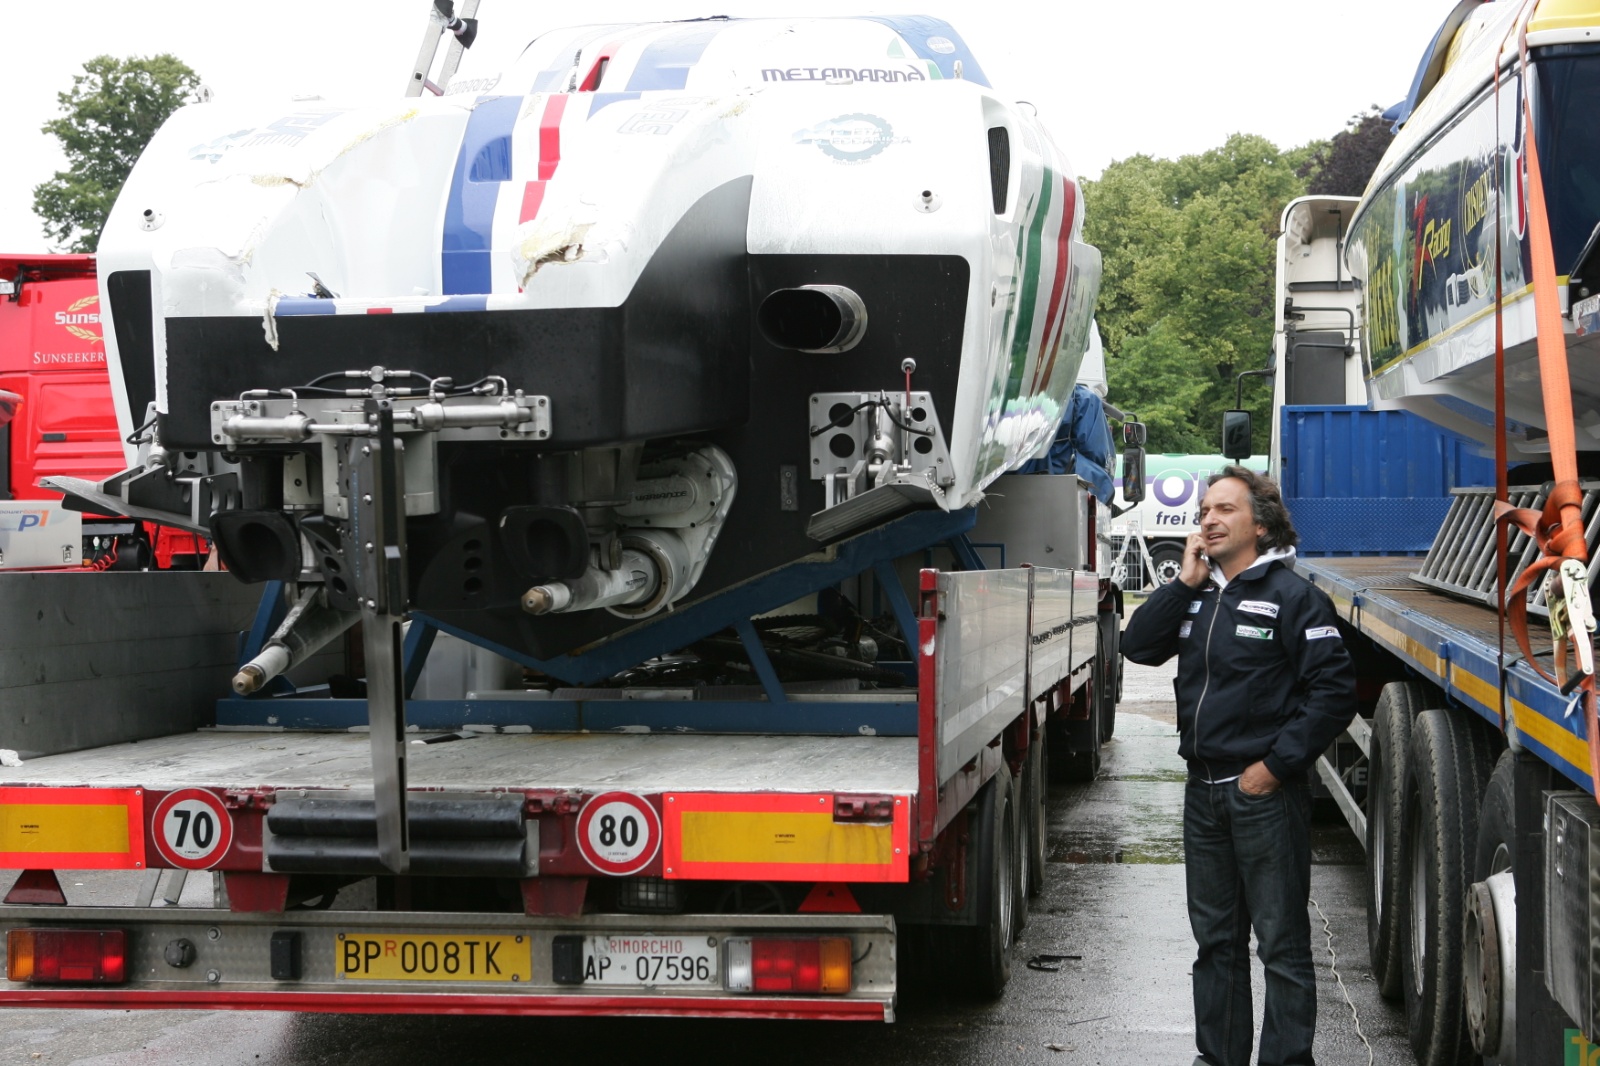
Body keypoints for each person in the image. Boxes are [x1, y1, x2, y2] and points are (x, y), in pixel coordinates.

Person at [1120, 466, 1357, 1066]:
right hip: (1202, 795)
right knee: (1216, 944)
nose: (1208, 519)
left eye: (1224, 509)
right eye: (1204, 511)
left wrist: (1274, 768)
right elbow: (1137, 645)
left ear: (1262, 523)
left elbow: (1333, 693)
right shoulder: (1197, 594)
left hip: (1263, 798)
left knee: (1280, 944)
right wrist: (1182, 581)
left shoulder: (1294, 597)